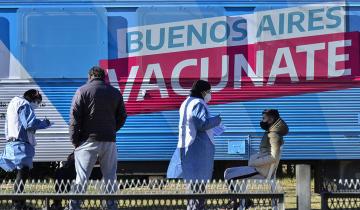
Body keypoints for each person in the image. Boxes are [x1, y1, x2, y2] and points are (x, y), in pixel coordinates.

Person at [69, 66, 127, 210]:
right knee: (110, 176)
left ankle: (74, 206)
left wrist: (75, 141)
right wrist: (112, 130)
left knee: (81, 177)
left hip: (87, 141)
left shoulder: (82, 91)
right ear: (104, 77)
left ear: (90, 76)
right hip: (109, 141)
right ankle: (111, 205)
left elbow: (74, 119)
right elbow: (122, 116)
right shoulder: (115, 93)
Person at [167, 80, 222, 210]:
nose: (210, 94)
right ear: (203, 92)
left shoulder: (187, 102)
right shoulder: (198, 103)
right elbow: (201, 124)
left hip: (190, 146)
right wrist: (217, 120)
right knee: (197, 184)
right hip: (197, 149)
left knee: (193, 184)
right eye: (209, 92)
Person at [224, 109, 288, 209]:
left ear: (271, 119)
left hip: (261, 170)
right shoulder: (271, 131)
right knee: (228, 171)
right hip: (259, 168)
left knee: (229, 176)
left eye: (263, 118)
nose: (261, 120)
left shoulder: (274, 135)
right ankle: (244, 201)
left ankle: (238, 203)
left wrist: (254, 162)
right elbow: (266, 152)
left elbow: (273, 157)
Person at [0, 89, 52, 210]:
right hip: (21, 144)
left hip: (11, 143)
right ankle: (18, 204)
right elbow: (30, 124)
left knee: (21, 173)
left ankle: (19, 202)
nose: (37, 105)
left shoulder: (14, 102)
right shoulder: (24, 104)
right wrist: (45, 123)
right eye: (38, 102)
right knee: (22, 173)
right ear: (32, 98)